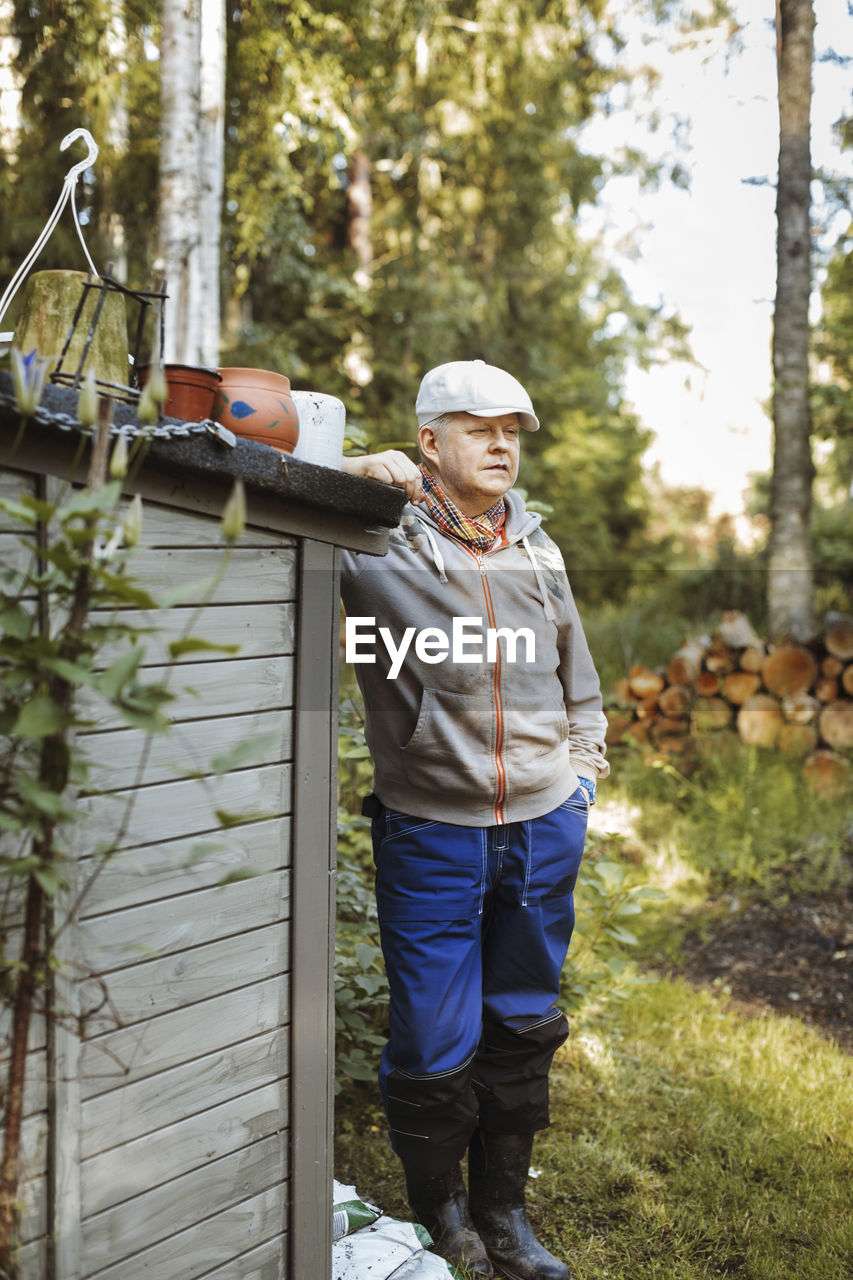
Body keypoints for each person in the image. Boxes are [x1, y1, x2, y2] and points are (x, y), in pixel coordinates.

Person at [339, 359, 609, 1280]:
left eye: (513, 431)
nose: (501, 445)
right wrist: (356, 466)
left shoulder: (538, 549)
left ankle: (504, 1213)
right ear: (429, 441)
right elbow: (285, 510)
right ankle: (443, 1216)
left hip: (542, 825)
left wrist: (580, 782)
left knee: (523, 1020)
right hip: (430, 830)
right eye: (479, 427)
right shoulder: (376, 542)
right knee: (428, 1036)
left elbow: (581, 684)